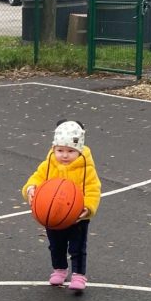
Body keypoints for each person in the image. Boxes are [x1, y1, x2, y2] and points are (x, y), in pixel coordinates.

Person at [22, 119, 101, 291]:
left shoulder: (86, 168)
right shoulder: (49, 164)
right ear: (53, 148)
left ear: (79, 151)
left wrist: (88, 207)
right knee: (55, 245)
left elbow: (94, 189)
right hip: (53, 215)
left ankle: (79, 275)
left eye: (70, 151)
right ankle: (59, 269)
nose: (64, 155)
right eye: (60, 150)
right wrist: (30, 189)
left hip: (77, 216)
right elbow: (36, 177)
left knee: (77, 247)